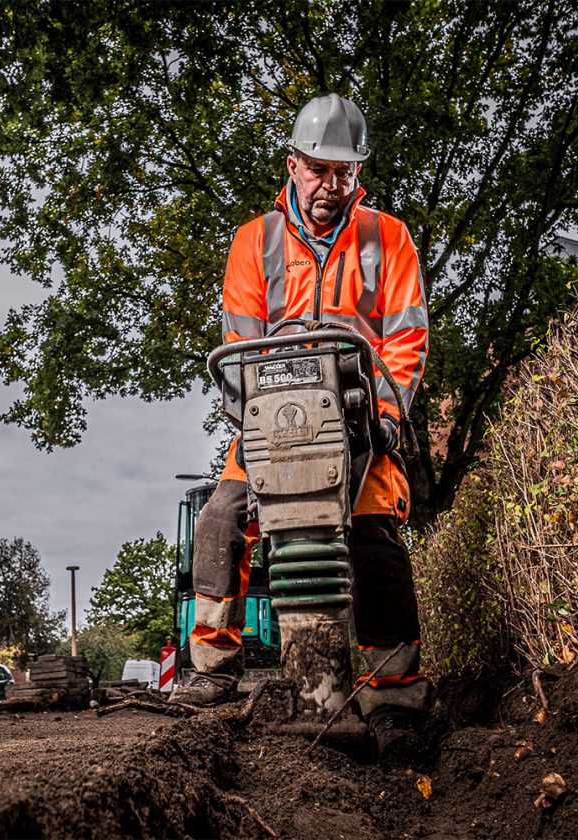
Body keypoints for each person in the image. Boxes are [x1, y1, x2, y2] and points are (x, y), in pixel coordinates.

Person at [170, 94, 431, 763]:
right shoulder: (254, 242)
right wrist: (249, 422)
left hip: (361, 429)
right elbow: (238, 343)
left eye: (342, 172)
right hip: (273, 422)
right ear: (294, 164)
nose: (329, 185)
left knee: (375, 541)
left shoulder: (388, 238)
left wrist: (390, 417)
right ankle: (211, 672)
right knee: (221, 520)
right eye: (317, 169)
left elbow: (405, 339)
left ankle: (394, 698)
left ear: (357, 173)